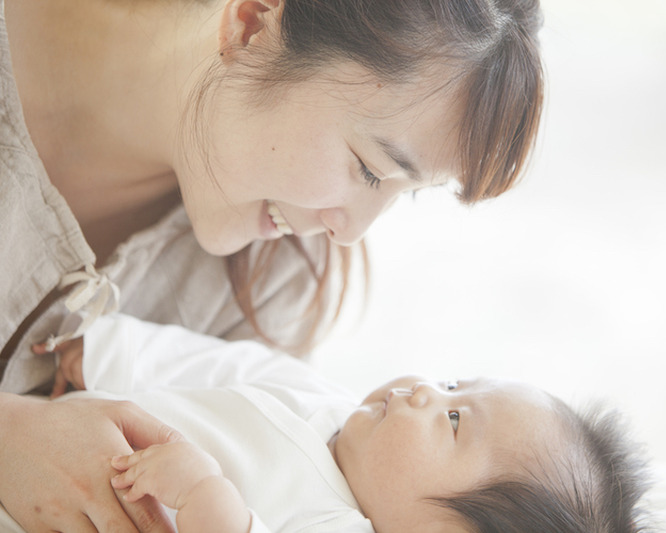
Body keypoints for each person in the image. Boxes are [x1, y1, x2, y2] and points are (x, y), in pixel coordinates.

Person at [0, 0, 545, 530]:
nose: (349, 231)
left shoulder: (275, 278)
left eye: (408, 193)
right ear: (251, 24)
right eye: (371, 170)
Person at [0, 314, 651, 533]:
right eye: (451, 382)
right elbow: (222, 363)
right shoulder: (328, 399)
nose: (424, 389)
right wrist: (115, 348)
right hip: (48, 441)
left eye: (454, 419)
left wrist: (204, 495)